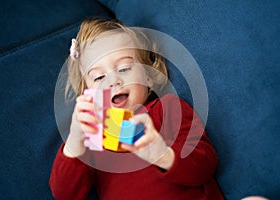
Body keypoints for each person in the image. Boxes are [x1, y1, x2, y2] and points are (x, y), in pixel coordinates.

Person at [49, 18, 224, 199]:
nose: (113, 80)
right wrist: (75, 140)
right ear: (88, 94)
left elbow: (206, 165)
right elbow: (64, 195)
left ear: (148, 77)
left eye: (124, 68)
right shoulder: (92, 138)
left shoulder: (168, 108)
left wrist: (163, 155)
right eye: (99, 77)